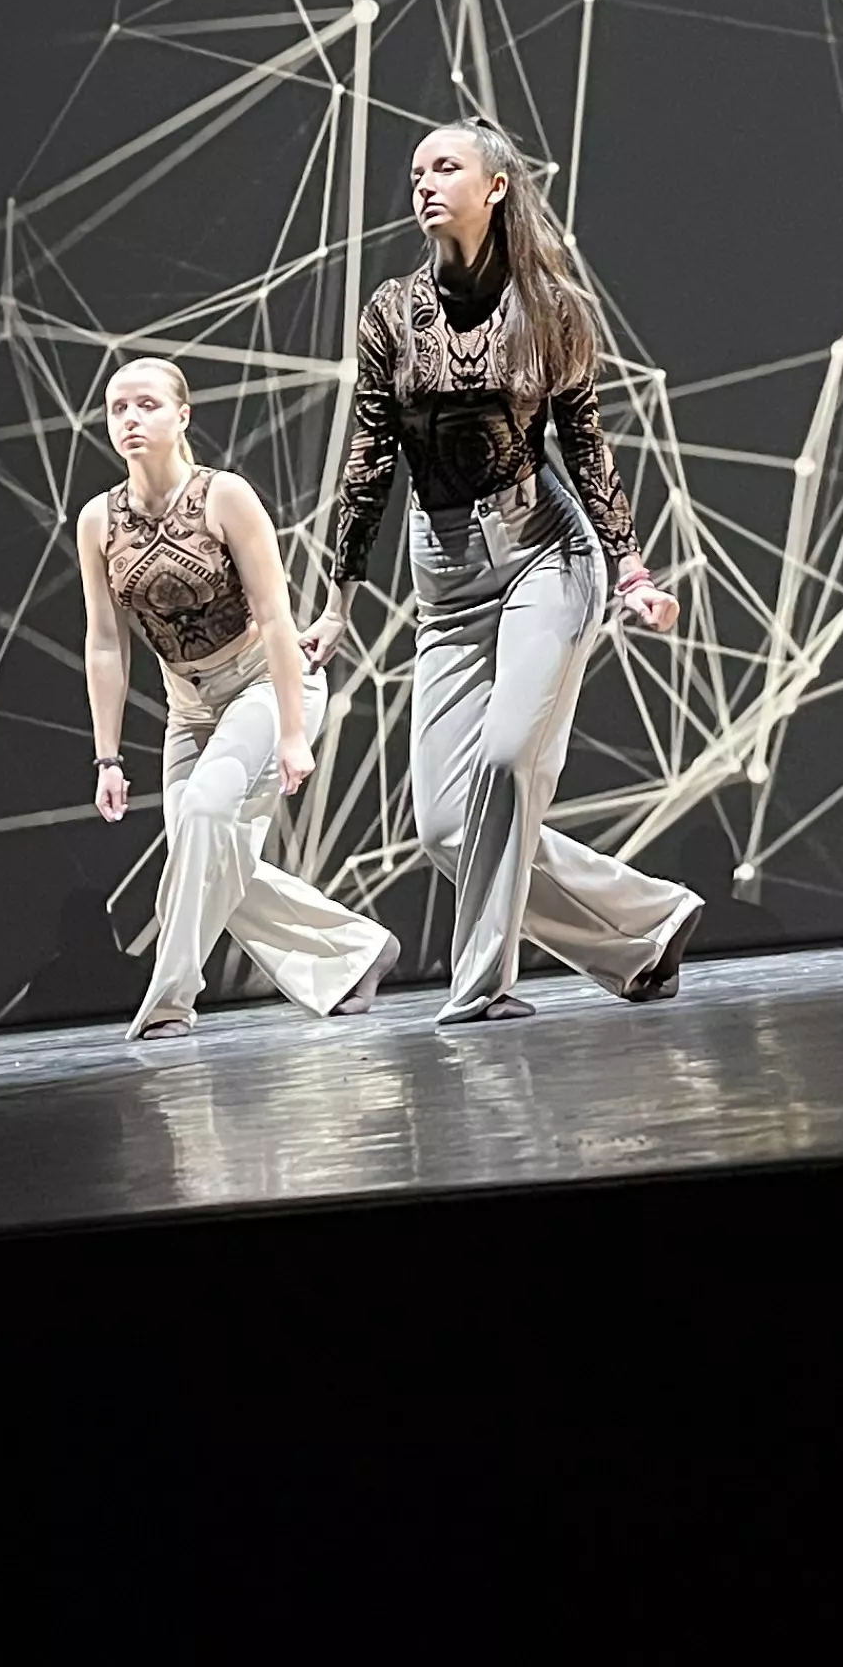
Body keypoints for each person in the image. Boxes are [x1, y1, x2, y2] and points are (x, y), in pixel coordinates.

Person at [309, 121, 702, 1024]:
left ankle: (482, 986)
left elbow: (589, 450)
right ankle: (646, 925)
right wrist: (338, 600)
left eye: (446, 167)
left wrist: (632, 570)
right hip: (442, 572)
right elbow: (369, 457)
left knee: (506, 759)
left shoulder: (552, 307)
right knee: (445, 826)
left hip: (545, 554)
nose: (425, 182)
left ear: (495, 188)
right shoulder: (388, 314)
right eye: (416, 172)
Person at [78, 355, 399, 1037]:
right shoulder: (98, 521)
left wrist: (289, 731)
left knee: (202, 823)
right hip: (187, 711)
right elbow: (106, 642)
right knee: (207, 851)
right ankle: (354, 951)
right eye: (117, 408)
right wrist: (107, 758)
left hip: (263, 685)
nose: (130, 419)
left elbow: (277, 615)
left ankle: (169, 1000)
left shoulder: (224, 495)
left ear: (182, 415)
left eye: (147, 405)